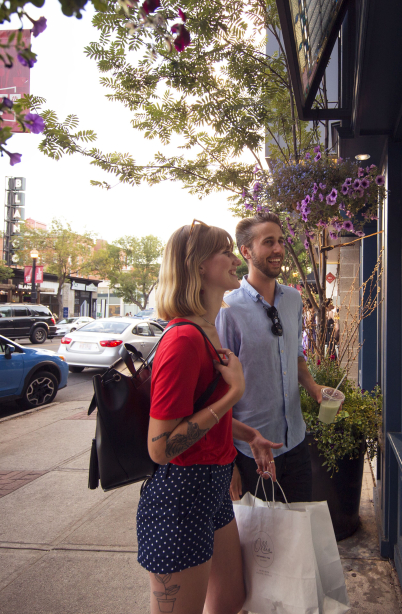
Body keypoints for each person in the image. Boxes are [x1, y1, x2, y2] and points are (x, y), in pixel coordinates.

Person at [139, 220, 246, 614]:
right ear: (200, 265)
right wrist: (234, 392)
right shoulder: (183, 339)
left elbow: (197, 415)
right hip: (181, 495)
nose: (236, 259)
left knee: (231, 599)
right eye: (226, 251)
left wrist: (247, 434)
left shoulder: (208, 329)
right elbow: (161, 447)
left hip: (212, 487)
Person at [217, 211, 324, 503]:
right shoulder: (228, 309)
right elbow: (218, 390)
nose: (278, 249)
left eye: (280, 241)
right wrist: (229, 464)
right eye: (268, 242)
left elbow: (297, 355)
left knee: (297, 538)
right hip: (252, 454)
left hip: (297, 444)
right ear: (246, 251)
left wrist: (313, 388)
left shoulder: (293, 299)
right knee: (262, 546)